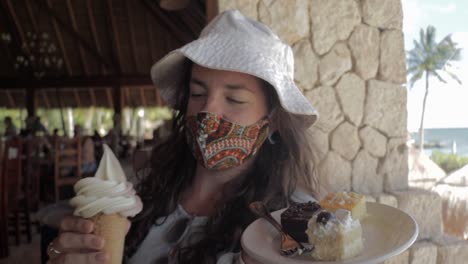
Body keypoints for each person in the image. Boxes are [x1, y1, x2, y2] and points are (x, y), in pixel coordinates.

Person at [46, 10, 320, 264]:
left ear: (273, 121)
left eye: (235, 99)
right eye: (197, 93)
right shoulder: (142, 191)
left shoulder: (290, 225)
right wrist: (60, 254)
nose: (206, 111)